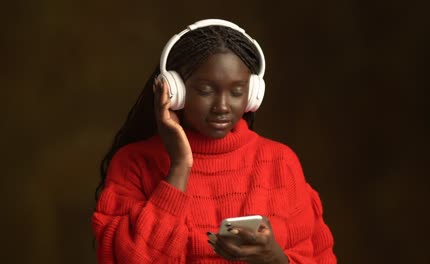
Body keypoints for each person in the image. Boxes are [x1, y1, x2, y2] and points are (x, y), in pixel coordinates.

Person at [92, 19, 336, 264]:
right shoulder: (133, 163)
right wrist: (180, 165)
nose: (222, 107)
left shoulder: (280, 162)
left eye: (237, 91)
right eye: (206, 90)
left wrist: (276, 260)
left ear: (253, 94)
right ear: (175, 91)